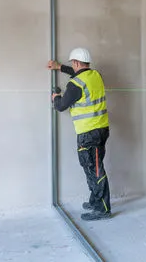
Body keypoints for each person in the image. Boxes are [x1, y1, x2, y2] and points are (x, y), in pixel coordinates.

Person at [48, 48, 112, 221]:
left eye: (73, 63)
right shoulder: (96, 75)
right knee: (93, 167)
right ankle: (95, 200)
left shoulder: (75, 85)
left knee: (94, 169)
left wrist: (56, 97)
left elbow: (61, 106)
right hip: (101, 129)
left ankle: (103, 209)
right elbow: (78, 73)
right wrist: (59, 67)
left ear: (76, 62)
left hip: (88, 133)